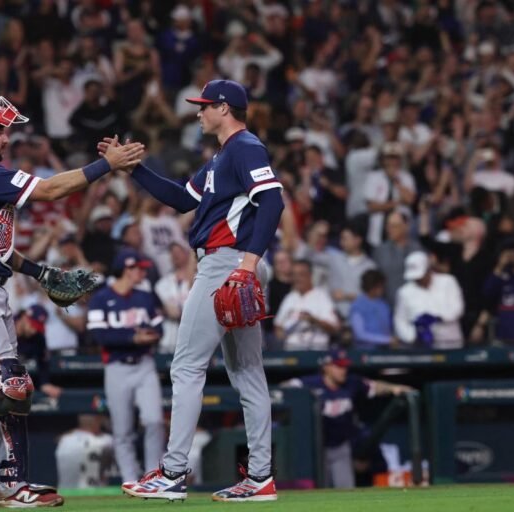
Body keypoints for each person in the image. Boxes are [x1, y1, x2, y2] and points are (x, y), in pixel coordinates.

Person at [0, 86, 143, 508]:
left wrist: (41, 273)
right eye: (0, 131)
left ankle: (13, 484)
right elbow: (50, 190)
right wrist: (106, 165)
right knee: (7, 382)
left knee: (17, 389)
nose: (6, 138)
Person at [101, 79, 284, 502]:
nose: (198, 112)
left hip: (226, 263)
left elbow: (273, 201)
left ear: (225, 108)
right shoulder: (222, 155)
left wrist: (247, 266)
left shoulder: (244, 147)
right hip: (232, 264)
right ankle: (260, 476)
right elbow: (184, 198)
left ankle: (172, 472)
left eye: (205, 106)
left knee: (186, 366)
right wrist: (135, 170)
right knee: (247, 372)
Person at [86, 249, 165, 484]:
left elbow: (159, 329)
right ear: (126, 269)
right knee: (122, 430)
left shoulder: (145, 297)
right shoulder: (101, 298)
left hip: (144, 364)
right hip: (116, 367)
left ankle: (153, 476)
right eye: (139, 268)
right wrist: (132, 338)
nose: (143, 273)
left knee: (154, 420)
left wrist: (148, 336)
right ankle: (130, 479)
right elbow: (99, 336)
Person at [281, 350, 413, 488]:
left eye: (345, 366)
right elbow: (283, 388)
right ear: (326, 367)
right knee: (318, 489)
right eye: (338, 366)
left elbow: (375, 386)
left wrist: (396, 388)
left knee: (346, 488)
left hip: (340, 447)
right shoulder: (310, 383)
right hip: (317, 448)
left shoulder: (352, 383)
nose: (343, 370)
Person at [394, 251, 465, 349]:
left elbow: (458, 308)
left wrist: (438, 318)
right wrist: (412, 336)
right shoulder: (404, 292)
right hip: (420, 346)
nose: (418, 280)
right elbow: (400, 320)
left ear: (428, 270)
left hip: (450, 342)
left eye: (420, 276)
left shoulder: (448, 282)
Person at [274, 259, 340, 351]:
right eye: (294, 275)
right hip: (291, 350)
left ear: (310, 275)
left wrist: (313, 320)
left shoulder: (321, 296)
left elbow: (335, 328)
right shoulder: (289, 297)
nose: (297, 279)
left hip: (316, 349)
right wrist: (283, 335)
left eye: (301, 275)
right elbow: (278, 326)